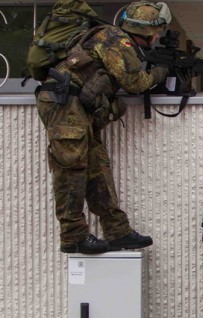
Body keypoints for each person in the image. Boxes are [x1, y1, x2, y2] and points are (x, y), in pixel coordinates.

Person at [35, 1, 173, 253]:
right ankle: (73, 236)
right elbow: (134, 82)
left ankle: (117, 231)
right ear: (149, 30)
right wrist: (160, 73)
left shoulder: (115, 37)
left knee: (97, 167)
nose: (158, 37)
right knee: (71, 168)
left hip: (75, 106)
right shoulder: (114, 39)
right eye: (158, 31)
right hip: (64, 103)